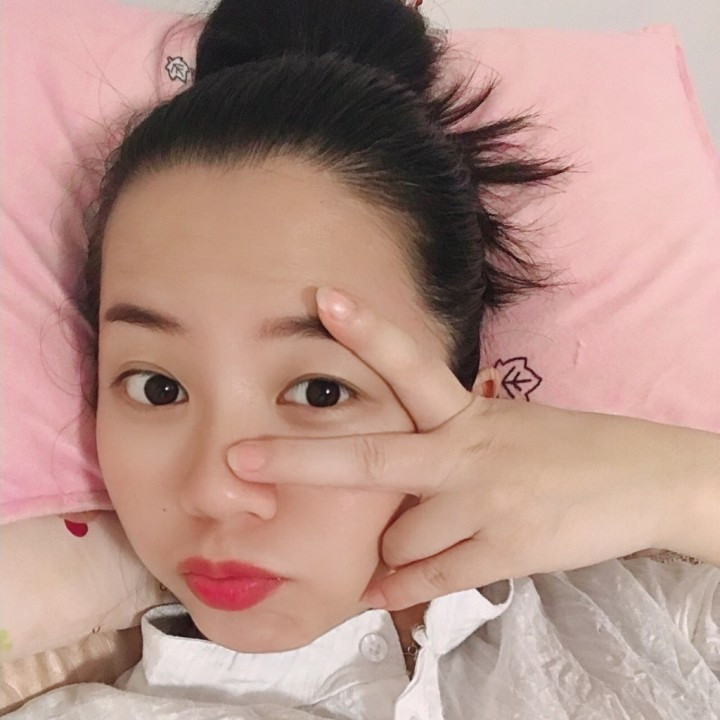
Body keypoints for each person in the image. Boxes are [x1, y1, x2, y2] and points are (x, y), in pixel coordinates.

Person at [9, 0, 720, 717]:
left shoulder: (659, 623)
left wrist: (684, 483)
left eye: (320, 391)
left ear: (481, 407)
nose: (216, 493)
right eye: (157, 387)